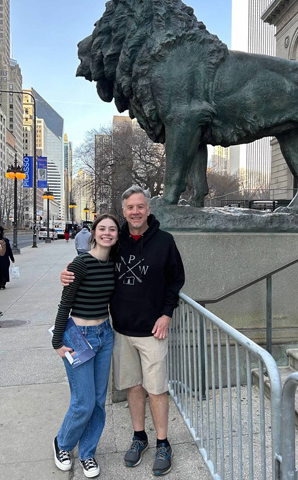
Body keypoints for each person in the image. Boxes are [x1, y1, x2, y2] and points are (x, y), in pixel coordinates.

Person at [62, 186, 185, 476]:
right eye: (130, 207)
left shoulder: (165, 242)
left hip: (153, 332)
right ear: (124, 211)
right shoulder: (117, 243)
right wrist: (68, 271)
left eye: (140, 206)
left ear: (148, 209)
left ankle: (163, 443)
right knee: (133, 386)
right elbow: (91, 261)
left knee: (156, 389)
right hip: (120, 331)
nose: (136, 212)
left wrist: (167, 313)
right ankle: (139, 437)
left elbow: (175, 280)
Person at [52, 213, 119, 478]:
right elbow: (64, 304)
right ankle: (63, 444)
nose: (107, 233)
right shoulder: (80, 264)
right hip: (78, 336)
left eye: (112, 229)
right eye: (102, 228)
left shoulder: (114, 263)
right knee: (83, 402)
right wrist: (57, 341)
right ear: (93, 232)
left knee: (99, 401)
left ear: (117, 235)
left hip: (105, 334)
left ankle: (88, 453)